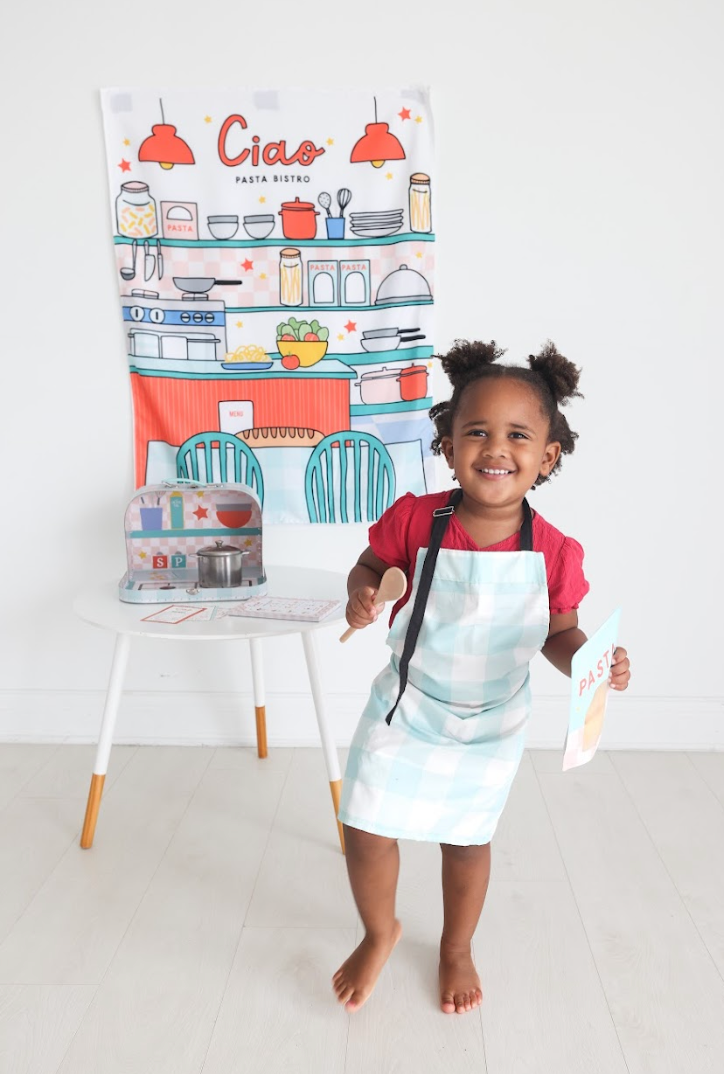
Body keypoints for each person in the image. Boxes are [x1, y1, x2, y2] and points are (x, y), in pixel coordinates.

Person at [332, 339, 631, 1015]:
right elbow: (368, 568)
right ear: (448, 445)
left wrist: (592, 663)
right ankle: (380, 931)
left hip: (491, 721)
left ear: (548, 455)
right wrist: (363, 592)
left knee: (465, 842)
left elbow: (558, 633)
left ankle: (455, 947)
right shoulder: (415, 520)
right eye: (476, 432)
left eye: (518, 435)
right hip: (405, 706)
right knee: (365, 825)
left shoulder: (554, 552)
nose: (495, 448)